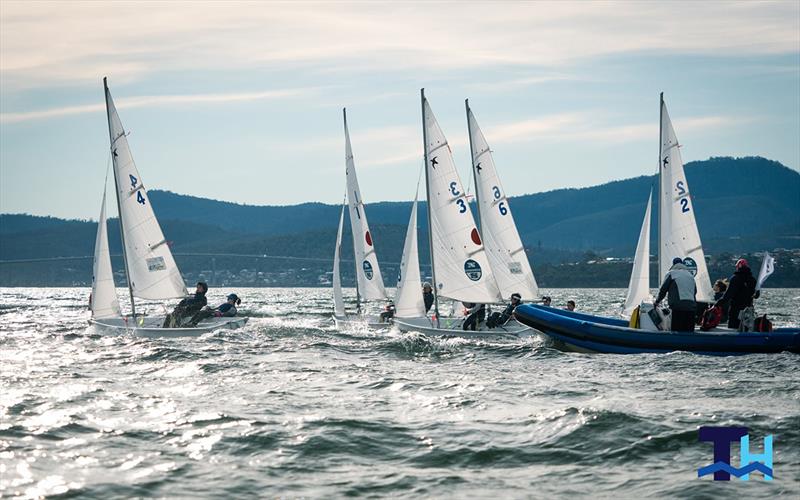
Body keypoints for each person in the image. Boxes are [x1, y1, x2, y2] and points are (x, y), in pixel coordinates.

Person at [655, 257, 697, 332]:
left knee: (677, 331)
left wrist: (657, 302)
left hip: (677, 307)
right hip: (691, 307)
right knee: (689, 331)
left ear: (673, 265)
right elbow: (695, 291)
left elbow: (663, 290)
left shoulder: (671, 273)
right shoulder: (690, 275)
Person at [715, 259, 759, 329]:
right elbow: (757, 295)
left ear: (738, 267)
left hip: (736, 309)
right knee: (746, 328)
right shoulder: (753, 279)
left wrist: (718, 303)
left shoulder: (735, 278)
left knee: (733, 327)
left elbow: (728, 295)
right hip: (748, 309)